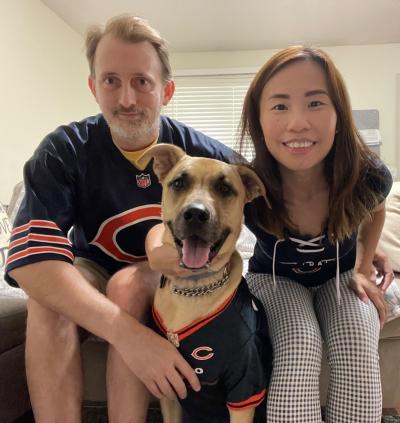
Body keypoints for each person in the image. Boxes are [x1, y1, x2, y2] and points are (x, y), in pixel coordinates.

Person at [4, 14, 238, 423]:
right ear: (94, 88)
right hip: (90, 266)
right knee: (47, 304)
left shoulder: (206, 156)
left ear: (166, 90)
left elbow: (279, 197)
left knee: (128, 284)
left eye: (142, 82)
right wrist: (131, 337)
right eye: (111, 80)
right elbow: (32, 264)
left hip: (166, 268)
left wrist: (362, 247)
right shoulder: (64, 150)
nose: (127, 99)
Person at [238, 46, 394, 422]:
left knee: (359, 339)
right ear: (258, 120)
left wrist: (361, 263)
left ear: (339, 116)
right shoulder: (247, 185)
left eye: (315, 103)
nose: (297, 123)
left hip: (338, 277)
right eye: (279, 106)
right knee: (300, 342)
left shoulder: (367, 176)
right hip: (274, 279)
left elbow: (376, 209)